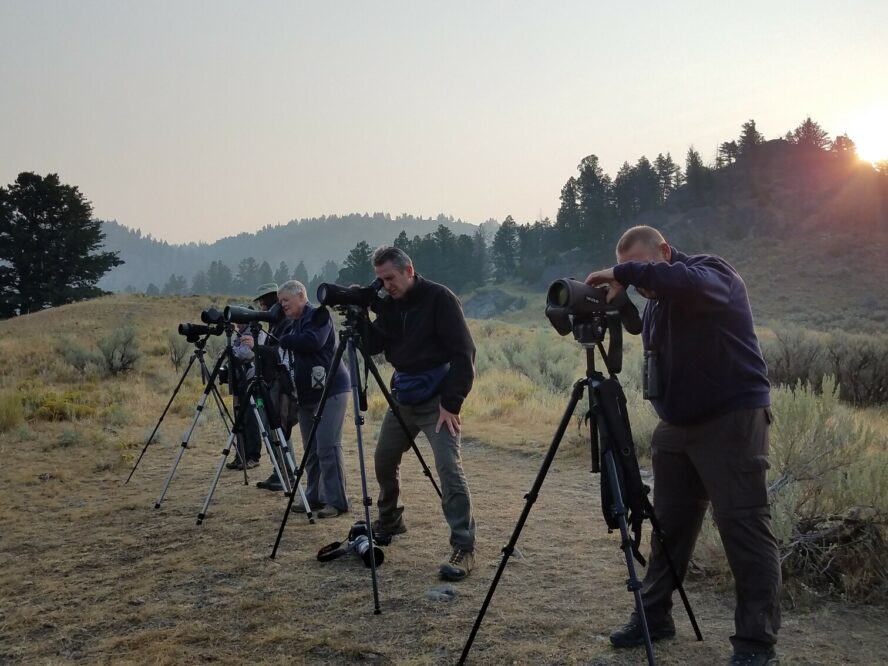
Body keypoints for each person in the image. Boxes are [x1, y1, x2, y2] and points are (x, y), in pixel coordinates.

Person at [584, 226, 780, 666]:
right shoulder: (657, 298)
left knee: (744, 530)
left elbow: (685, 282)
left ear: (665, 253)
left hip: (731, 420)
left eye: (645, 269)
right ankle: (654, 618)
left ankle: (756, 644)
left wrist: (623, 272)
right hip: (676, 426)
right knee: (668, 529)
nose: (642, 283)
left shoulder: (711, 273)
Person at [364, 246, 477, 581]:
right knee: (384, 459)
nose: (386, 286)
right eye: (381, 280)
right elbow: (374, 345)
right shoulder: (389, 305)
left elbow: (464, 352)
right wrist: (362, 319)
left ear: (409, 270)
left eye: (391, 278)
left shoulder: (440, 299)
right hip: (404, 395)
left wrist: (451, 403)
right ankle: (389, 521)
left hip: (438, 400)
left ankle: (464, 546)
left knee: (448, 468)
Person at [276, 279, 350, 519]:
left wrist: (284, 341)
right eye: (280, 302)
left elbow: (313, 342)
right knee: (311, 449)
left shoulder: (319, 315)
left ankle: (336, 502)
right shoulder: (293, 324)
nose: (282, 305)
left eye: (285, 300)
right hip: (306, 394)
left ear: (300, 296)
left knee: (328, 446)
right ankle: (315, 494)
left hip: (331, 390)